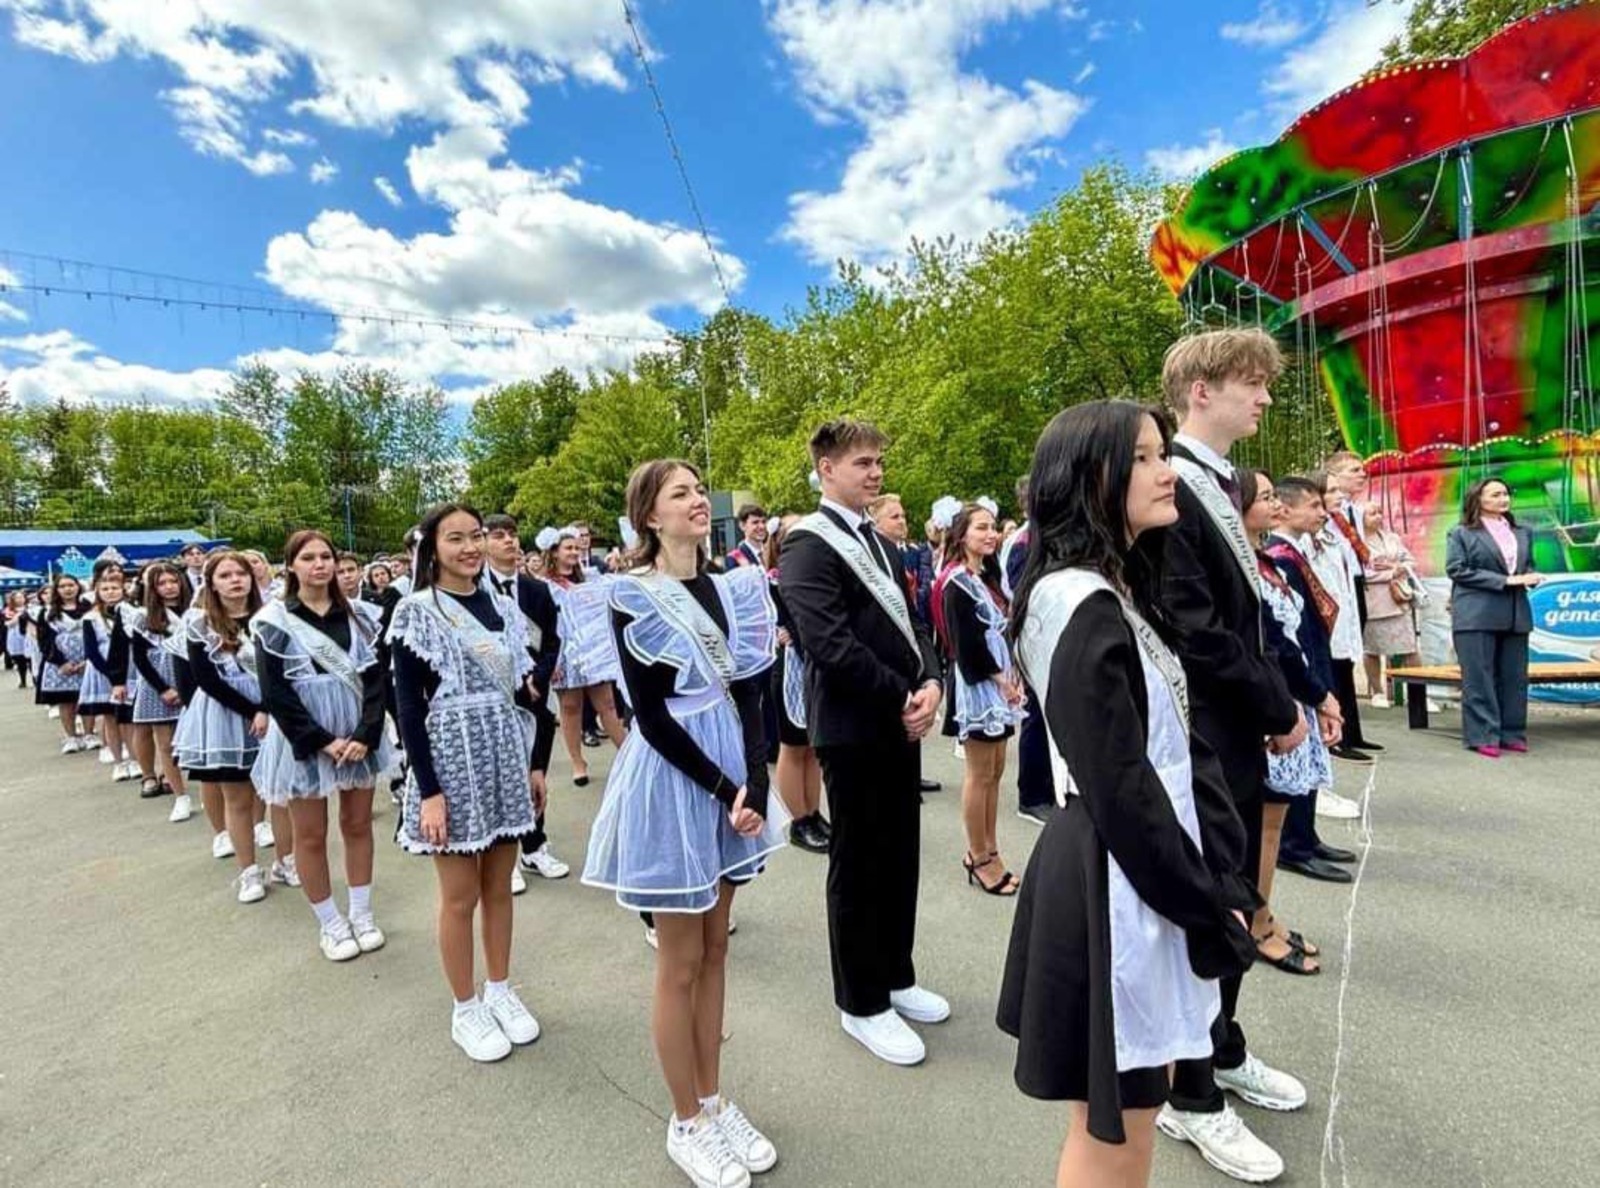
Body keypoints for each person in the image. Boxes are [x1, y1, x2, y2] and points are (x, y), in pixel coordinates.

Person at [998, 400, 1258, 1188]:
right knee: (1115, 1132)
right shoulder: (1081, 604)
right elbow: (1123, 788)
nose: (1166, 469)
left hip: (1137, 873)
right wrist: (1206, 903)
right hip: (1122, 882)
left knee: (1127, 1120)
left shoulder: (1101, 588)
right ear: (1090, 479)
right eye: (1143, 457)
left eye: (1160, 453)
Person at [582, 459, 786, 1188]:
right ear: (648, 516)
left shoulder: (734, 584)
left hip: (735, 772)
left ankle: (714, 1096)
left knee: (716, 949)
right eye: (681, 494)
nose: (698, 501)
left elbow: (754, 690)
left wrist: (757, 781)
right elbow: (652, 715)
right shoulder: (631, 595)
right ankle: (685, 1119)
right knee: (680, 960)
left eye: (701, 491)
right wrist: (725, 785)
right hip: (677, 777)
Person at [1157, 328, 1306, 1184]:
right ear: (1202, 389)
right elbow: (1196, 627)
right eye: (1252, 383)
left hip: (1235, 726)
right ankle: (1189, 1092)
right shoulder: (1173, 482)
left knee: (1238, 890)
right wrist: (1275, 704)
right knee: (1212, 903)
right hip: (1204, 730)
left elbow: (1243, 615)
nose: (1264, 398)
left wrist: (1295, 692)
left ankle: (1221, 1044)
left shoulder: (1218, 484)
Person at [780, 418, 948, 1069]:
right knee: (859, 864)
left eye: (878, 462)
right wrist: (900, 695)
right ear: (826, 469)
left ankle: (895, 975)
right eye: (860, 464)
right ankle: (860, 1001)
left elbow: (912, 622)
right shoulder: (807, 546)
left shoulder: (879, 541)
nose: (874, 473)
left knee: (899, 856)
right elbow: (827, 643)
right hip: (852, 729)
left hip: (898, 722)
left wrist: (931, 680)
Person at [388, 504, 542, 1063]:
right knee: (460, 896)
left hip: (501, 752)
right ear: (431, 546)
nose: (470, 547)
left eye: (476, 535)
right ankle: (464, 1005)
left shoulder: (500, 604)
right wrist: (427, 790)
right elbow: (408, 709)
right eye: (456, 538)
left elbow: (524, 696)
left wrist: (533, 764)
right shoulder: (416, 611)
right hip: (450, 762)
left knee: (500, 885)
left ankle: (500, 988)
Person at [253, 530, 395, 962]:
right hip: (306, 736)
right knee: (310, 834)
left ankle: (362, 912)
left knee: (357, 824)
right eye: (308, 557)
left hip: (356, 731)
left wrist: (366, 733)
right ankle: (331, 924)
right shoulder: (273, 620)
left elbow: (376, 679)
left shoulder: (360, 615)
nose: (320, 564)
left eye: (326, 557)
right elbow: (275, 690)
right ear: (291, 566)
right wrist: (321, 740)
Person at [1260, 478, 1359, 886]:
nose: (1323, 513)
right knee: (1295, 764)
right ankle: (1294, 845)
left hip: (1314, 663)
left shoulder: (1301, 552)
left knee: (1313, 760)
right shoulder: (1279, 558)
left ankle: (1308, 837)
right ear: (1283, 509)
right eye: (1314, 505)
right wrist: (1314, 685)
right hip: (1299, 671)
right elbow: (1292, 632)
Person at [173, 551, 274, 904]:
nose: (235, 580)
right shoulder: (201, 623)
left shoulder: (272, 616)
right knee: (238, 796)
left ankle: (287, 859)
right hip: (227, 712)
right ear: (211, 584)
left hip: (274, 709)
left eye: (241, 573)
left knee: (279, 792)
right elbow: (205, 678)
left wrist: (267, 708)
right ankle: (248, 871)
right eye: (225, 575)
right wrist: (252, 711)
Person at [938, 502, 1025, 894]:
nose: (990, 534)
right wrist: (1000, 680)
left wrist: (1013, 675)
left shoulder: (985, 577)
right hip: (980, 687)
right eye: (981, 528)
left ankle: (991, 847)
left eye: (992, 527)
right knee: (978, 773)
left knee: (996, 771)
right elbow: (966, 644)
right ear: (962, 536)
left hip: (1000, 682)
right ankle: (978, 855)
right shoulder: (956, 582)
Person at [481, 513, 567, 887]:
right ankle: (507, 856)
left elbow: (552, 641)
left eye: (513, 534)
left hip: (536, 696)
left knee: (536, 771)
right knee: (503, 774)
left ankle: (534, 846)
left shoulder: (537, 590)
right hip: (498, 697)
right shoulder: (475, 592)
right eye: (498, 535)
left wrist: (539, 677)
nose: (508, 542)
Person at [1445, 478, 1540, 756]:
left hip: (1515, 613)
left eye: (1506, 493)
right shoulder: (1461, 533)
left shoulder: (1522, 532)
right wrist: (1507, 580)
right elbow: (1457, 569)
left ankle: (1512, 732)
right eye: (1495, 494)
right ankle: (1482, 734)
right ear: (1479, 500)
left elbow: (1526, 564)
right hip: (1476, 613)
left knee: (1514, 677)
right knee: (1479, 677)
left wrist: (1530, 576)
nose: (1503, 498)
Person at [543, 527, 627, 784]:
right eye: (568, 548)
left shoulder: (592, 578)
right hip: (564, 656)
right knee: (570, 708)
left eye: (576, 548)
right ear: (554, 552)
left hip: (593, 653)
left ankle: (627, 756)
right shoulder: (544, 585)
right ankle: (578, 762)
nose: (574, 552)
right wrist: (550, 660)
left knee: (609, 706)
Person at [766, 516, 829, 854]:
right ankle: (798, 821)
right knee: (792, 746)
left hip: (812, 666)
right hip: (790, 666)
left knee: (812, 746)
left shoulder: (808, 575)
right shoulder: (772, 580)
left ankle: (814, 812)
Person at [126, 561, 195, 819]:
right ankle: (180, 795)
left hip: (190, 679)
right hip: (159, 684)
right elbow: (140, 659)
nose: (169, 588)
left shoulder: (196, 612)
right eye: (162, 583)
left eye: (173, 581)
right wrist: (164, 688)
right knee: (166, 743)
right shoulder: (144, 617)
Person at [1359, 502, 1423, 707]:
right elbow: (1360, 573)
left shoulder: (1391, 538)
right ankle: (1378, 692)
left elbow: (1410, 561)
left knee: (1410, 649)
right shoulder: (1356, 542)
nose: (1378, 517)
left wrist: (1398, 567)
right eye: (1372, 513)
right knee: (1372, 649)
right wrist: (1390, 573)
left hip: (1398, 599)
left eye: (1379, 513)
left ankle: (1417, 694)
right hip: (1374, 601)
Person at [79, 566, 135, 781]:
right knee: (110, 717)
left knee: (129, 719)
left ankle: (134, 758)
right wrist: (111, 674)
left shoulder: (131, 611)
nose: (111, 592)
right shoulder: (90, 618)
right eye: (105, 589)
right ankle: (119, 761)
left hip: (130, 666)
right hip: (103, 670)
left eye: (115, 588)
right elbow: (91, 651)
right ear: (97, 592)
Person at [37, 574, 90, 753]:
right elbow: (44, 640)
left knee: (87, 699)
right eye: (63, 586)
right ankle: (71, 736)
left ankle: (89, 733)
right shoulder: (48, 612)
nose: (68, 589)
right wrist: (61, 662)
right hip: (60, 663)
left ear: (78, 587)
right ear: (56, 590)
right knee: (66, 701)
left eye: (71, 585)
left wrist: (88, 661)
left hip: (86, 661)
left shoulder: (88, 608)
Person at [725, 503, 768, 570]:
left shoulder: (773, 552)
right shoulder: (735, 558)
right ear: (742, 526)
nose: (762, 526)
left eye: (764, 522)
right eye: (755, 522)